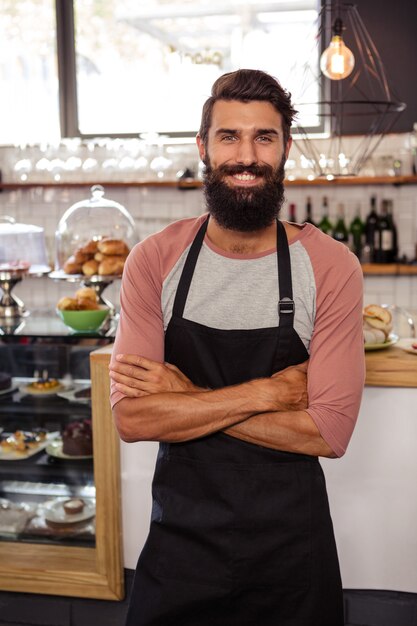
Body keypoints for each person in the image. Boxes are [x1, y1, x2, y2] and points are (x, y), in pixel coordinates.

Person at [109, 69, 365, 626]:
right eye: (228, 136)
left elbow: (329, 431)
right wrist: (270, 393)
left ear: (285, 149)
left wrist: (186, 396)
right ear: (203, 146)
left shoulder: (331, 265)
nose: (245, 156)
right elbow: (133, 417)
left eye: (264, 137)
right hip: (181, 546)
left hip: (292, 554)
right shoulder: (155, 259)